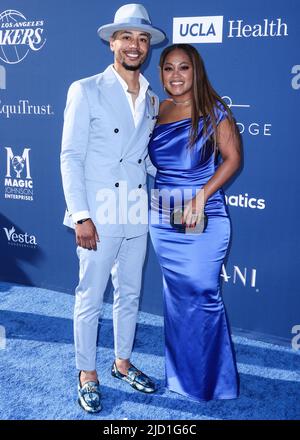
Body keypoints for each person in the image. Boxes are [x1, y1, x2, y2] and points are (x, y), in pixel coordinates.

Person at [60, 4, 165, 413]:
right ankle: (87, 371)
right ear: (111, 43)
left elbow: (146, 158)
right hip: (98, 214)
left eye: (142, 39)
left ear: (147, 47)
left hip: (135, 211)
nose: (134, 46)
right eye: (126, 38)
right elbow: (70, 156)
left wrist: (188, 169)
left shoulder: (153, 99)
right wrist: (81, 215)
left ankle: (122, 362)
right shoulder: (85, 89)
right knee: (90, 294)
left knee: (131, 293)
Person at [148, 44, 241, 401]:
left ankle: (212, 381)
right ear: (160, 73)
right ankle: (181, 378)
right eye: (168, 68)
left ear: (195, 71)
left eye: (183, 68)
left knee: (203, 293)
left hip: (204, 214)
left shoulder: (214, 111)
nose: (175, 76)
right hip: (163, 216)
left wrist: (201, 196)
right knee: (177, 297)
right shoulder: (156, 110)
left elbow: (232, 160)